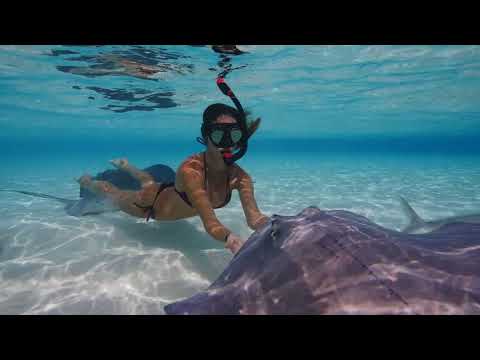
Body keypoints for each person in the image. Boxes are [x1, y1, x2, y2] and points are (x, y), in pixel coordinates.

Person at [77, 78, 269, 254]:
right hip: (148, 205)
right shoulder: (191, 171)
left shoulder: (241, 177)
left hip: (165, 191)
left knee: (149, 182)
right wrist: (232, 240)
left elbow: (255, 219)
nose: (227, 143)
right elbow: (210, 222)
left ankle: (126, 165)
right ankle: (87, 181)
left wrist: (278, 227)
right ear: (206, 135)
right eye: (219, 135)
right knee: (115, 194)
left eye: (234, 135)